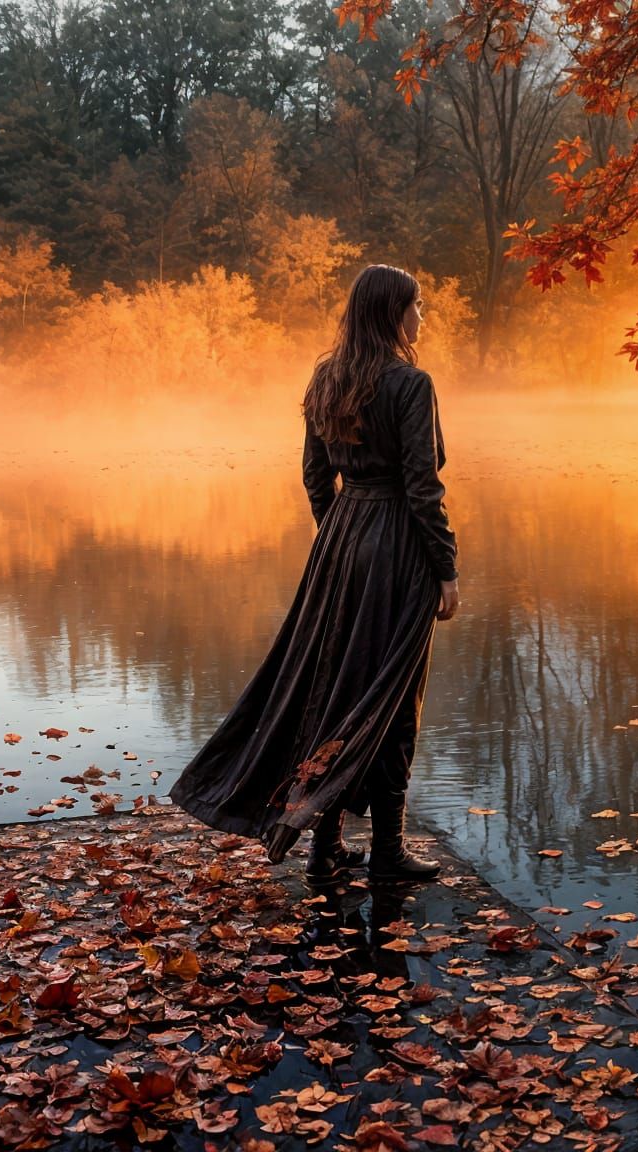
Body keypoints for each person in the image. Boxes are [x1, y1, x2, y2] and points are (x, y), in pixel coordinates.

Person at [170, 264, 460, 885]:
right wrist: (446, 568)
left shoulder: (327, 379)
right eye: (417, 305)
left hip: (341, 543)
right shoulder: (412, 383)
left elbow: (314, 476)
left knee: (334, 690)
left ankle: (325, 848)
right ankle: (387, 853)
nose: (422, 317)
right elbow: (422, 488)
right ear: (392, 313)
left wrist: (340, 539)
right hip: (397, 550)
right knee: (392, 699)